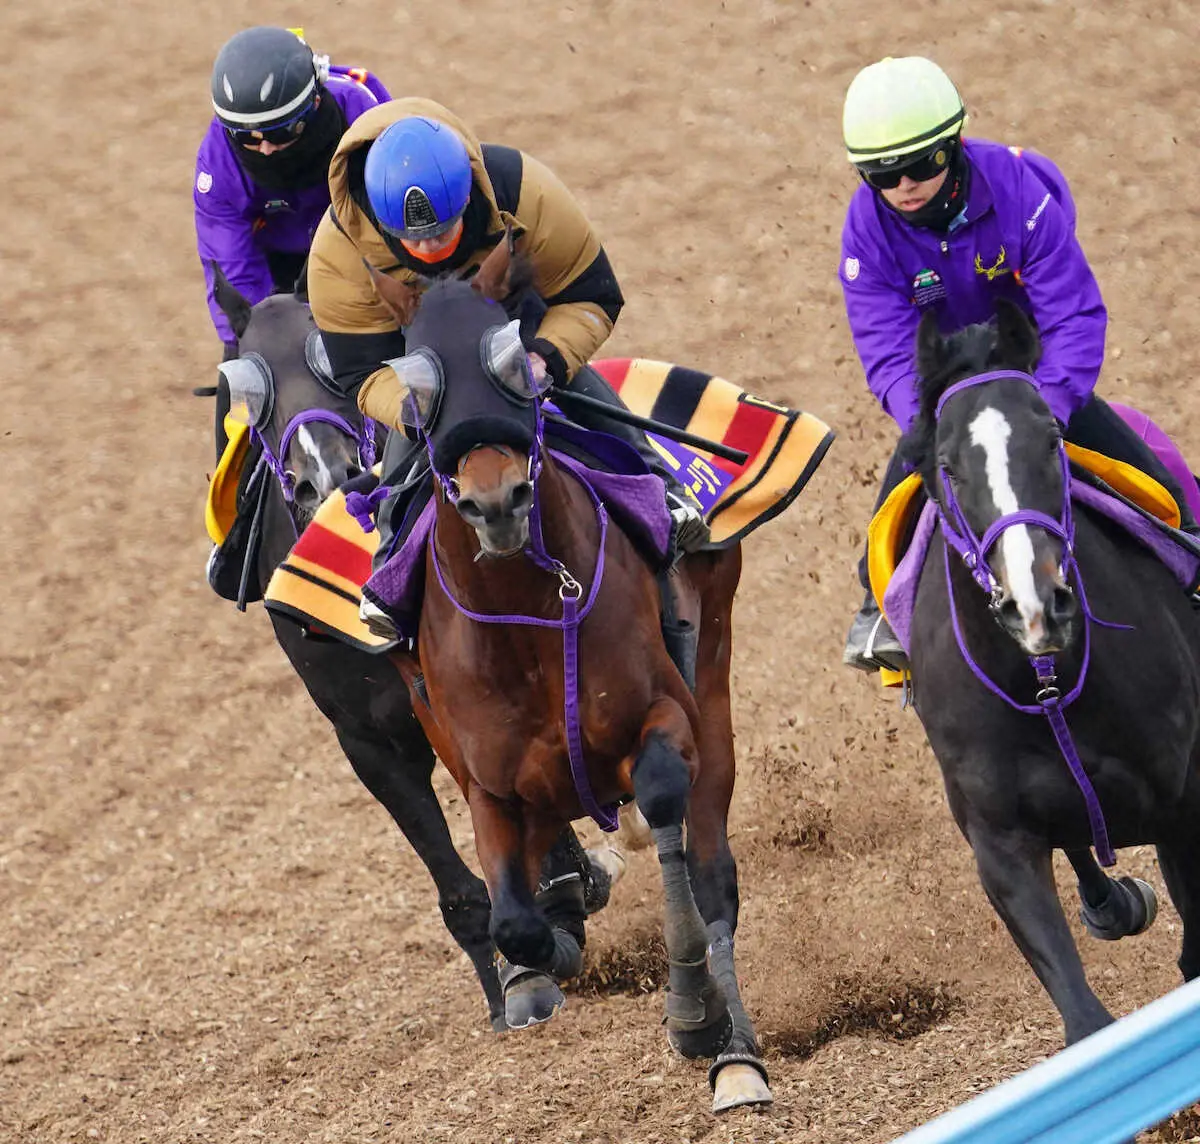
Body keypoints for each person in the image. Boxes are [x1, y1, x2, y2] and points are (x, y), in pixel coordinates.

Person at [837, 55, 1197, 673]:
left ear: (954, 145)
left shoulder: (1019, 189)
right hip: (946, 389)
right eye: (882, 175)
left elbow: (1074, 317)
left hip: (1029, 374)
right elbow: (889, 354)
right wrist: (930, 418)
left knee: (1150, 479)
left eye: (922, 164)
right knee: (896, 492)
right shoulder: (865, 231)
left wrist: (1048, 405)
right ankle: (877, 611)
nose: (905, 187)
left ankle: (1189, 544)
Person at [305, 97, 709, 636]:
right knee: (402, 464)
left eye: (443, 231)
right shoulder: (336, 253)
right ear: (378, 220)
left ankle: (662, 488)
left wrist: (546, 361)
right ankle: (391, 563)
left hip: (517, 341)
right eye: (412, 238)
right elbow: (358, 372)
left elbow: (591, 296)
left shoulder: (525, 189)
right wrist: (413, 407)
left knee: (588, 395)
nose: (428, 247)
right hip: (422, 370)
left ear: (469, 195)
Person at [196, 25, 390, 462]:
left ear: (314, 105)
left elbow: (390, 224)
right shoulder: (219, 161)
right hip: (275, 271)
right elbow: (230, 265)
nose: (264, 148)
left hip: (355, 251)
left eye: (280, 133)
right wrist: (270, 336)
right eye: (248, 138)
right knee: (240, 387)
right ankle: (234, 523)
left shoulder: (362, 114)